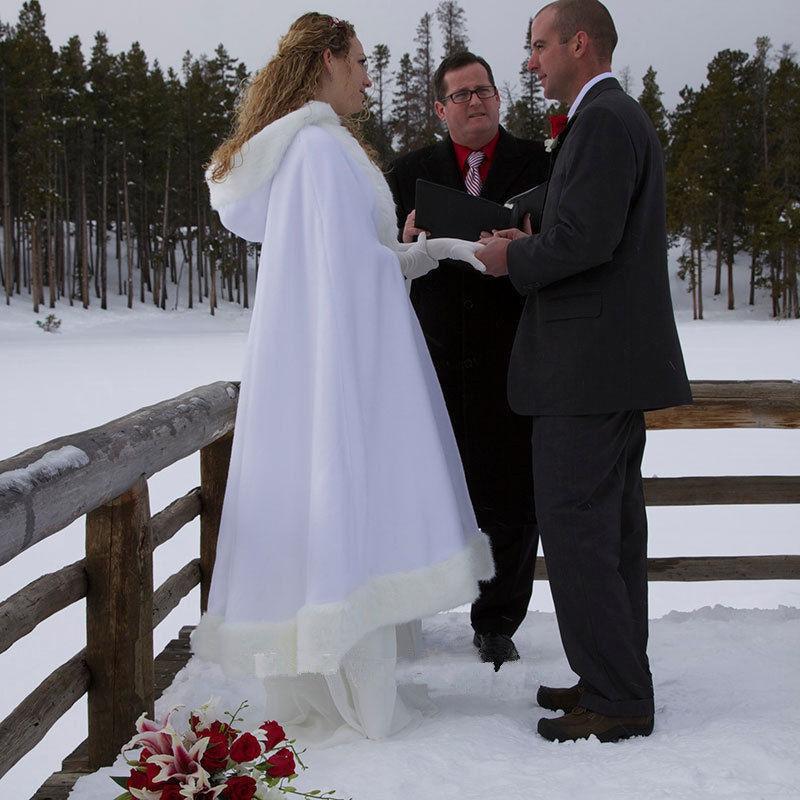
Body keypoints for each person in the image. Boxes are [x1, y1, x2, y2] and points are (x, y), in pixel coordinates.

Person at [191, 12, 494, 743]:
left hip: (326, 359)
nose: (367, 75)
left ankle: (342, 685)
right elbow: (351, 273)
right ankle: (358, 699)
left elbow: (354, 261)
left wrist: (442, 248)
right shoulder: (321, 152)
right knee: (348, 510)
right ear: (327, 61)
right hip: (344, 364)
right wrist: (434, 252)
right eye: (358, 61)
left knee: (335, 512)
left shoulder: (314, 149)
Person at [477, 0, 692, 742]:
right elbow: (584, 231)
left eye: (538, 46)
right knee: (609, 534)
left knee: (580, 535)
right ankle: (611, 679)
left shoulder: (603, 120)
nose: (530, 60)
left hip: (586, 371)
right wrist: (536, 231)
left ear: (579, 42)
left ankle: (619, 700)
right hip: (602, 369)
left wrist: (513, 257)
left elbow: (587, 242)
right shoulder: (606, 119)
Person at [386, 52, 549, 670]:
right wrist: (403, 243)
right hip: (435, 356)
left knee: (511, 494)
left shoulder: (539, 162)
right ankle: (411, 609)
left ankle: (497, 621)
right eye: (462, 95)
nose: (477, 101)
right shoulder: (409, 172)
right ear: (439, 108)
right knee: (427, 490)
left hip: (517, 349)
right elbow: (380, 254)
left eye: (485, 90)